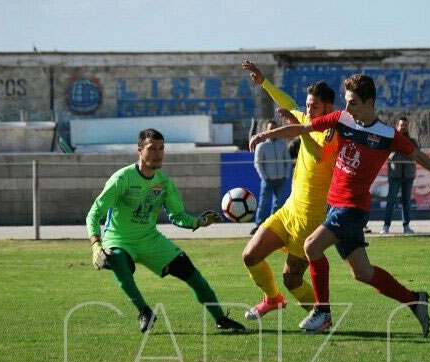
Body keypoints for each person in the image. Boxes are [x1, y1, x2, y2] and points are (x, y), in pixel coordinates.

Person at [250, 74, 430, 335]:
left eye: (352, 103)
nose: (347, 108)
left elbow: (419, 156)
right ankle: (415, 300)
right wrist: (267, 135)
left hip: (353, 209)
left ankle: (323, 312)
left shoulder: (387, 135)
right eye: (346, 102)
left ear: (369, 102)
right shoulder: (342, 119)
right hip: (334, 206)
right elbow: (302, 127)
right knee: (363, 273)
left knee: (312, 246)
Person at [86, 128, 245, 333]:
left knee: (193, 275)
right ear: (140, 150)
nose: (158, 153)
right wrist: (96, 245)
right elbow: (94, 213)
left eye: (161, 148)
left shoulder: (164, 182)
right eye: (152, 148)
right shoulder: (122, 179)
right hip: (119, 239)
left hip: (150, 240)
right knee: (115, 258)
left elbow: (177, 216)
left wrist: (198, 222)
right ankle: (144, 311)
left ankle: (220, 318)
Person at [240, 60, 338, 320]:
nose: (308, 110)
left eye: (314, 106)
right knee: (250, 256)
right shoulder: (307, 117)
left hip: (311, 220)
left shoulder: (332, 132)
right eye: (307, 105)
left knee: (291, 278)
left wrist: (302, 129)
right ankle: (272, 299)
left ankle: (320, 314)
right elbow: (288, 103)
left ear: (329, 107)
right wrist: (264, 83)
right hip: (289, 210)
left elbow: (318, 157)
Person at [250, 120, 292, 235]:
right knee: (263, 202)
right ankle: (258, 225)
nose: (272, 131)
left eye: (274, 128)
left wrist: (286, 175)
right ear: (266, 130)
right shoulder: (262, 145)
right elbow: (258, 163)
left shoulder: (282, 144)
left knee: (278, 204)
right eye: (270, 128)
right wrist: (265, 177)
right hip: (268, 180)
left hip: (281, 179)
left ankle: (273, 227)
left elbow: (287, 160)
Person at [381, 117, 419, 234]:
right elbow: (391, 155)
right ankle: (386, 226)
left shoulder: (412, 141)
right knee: (391, 201)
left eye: (405, 125)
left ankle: (406, 226)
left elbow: (416, 155)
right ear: (398, 126)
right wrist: (405, 152)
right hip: (395, 175)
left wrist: (401, 152)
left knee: (406, 202)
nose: (403, 127)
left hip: (408, 176)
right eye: (401, 125)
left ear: (408, 127)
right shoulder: (391, 140)